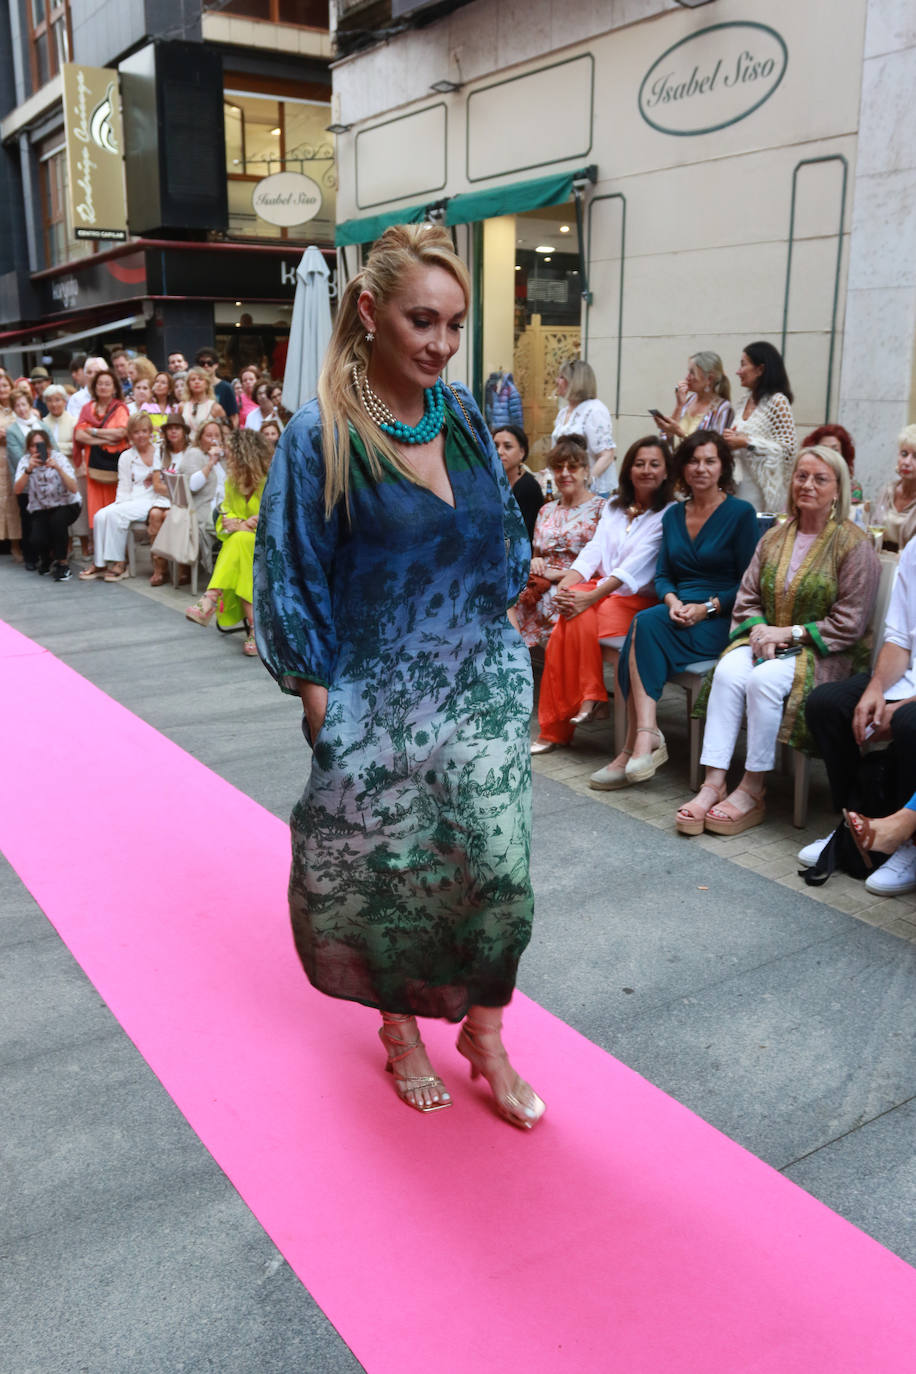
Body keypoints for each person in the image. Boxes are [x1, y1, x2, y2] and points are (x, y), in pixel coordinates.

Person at [252, 223, 544, 1129]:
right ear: (371, 312)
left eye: (455, 325)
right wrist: (319, 703)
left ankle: (486, 1033)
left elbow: (499, 537)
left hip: (483, 678)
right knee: (398, 871)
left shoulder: (457, 412)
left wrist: (508, 629)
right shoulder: (319, 435)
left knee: (501, 872)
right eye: (423, 321)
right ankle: (402, 1031)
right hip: (380, 695)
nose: (441, 344)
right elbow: (290, 570)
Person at [676, 446, 879, 835]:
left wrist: (788, 634)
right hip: (766, 641)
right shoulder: (774, 537)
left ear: (838, 489)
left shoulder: (854, 544)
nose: (808, 485)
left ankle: (753, 789)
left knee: (762, 681)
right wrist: (757, 632)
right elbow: (748, 596)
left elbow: (850, 623)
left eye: (821, 479)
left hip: (824, 651)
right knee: (729, 672)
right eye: (802, 476)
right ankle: (713, 783)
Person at [591, 430, 759, 790]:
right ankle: (643, 739)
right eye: (694, 461)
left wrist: (707, 608)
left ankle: (635, 745)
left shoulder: (741, 514)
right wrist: (673, 601)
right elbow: (664, 575)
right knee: (647, 622)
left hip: (721, 619)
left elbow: (748, 583)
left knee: (641, 626)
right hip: (678, 610)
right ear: (682, 467)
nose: (701, 468)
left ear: (723, 467)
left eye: (710, 461)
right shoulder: (673, 516)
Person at [532, 435, 676, 751]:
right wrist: (568, 585)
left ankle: (561, 723)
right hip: (602, 591)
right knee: (568, 614)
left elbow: (638, 566)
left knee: (569, 621)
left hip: (638, 598)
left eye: (654, 464)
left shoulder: (670, 513)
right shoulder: (614, 506)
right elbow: (593, 551)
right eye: (639, 464)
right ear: (628, 469)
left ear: (667, 471)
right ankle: (588, 700)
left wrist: (587, 597)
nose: (646, 470)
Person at [803, 534, 916, 896]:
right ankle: (852, 824)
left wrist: (904, 704)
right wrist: (876, 689)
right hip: (907, 675)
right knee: (828, 705)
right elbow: (900, 637)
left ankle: (908, 843)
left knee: (907, 723)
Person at [185, 428, 271, 655]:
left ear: (244, 454)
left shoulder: (270, 481)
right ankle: (256, 629)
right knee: (240, 545)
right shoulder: (232, 483)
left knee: (240, 541)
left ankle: (211, 596)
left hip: (270, 548)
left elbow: (278, 520)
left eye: (231, 451)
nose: (226, 455)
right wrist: (240, 523)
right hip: (244, 549)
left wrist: (243, 525)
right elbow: (224, 519)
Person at [515, 434, 605, 651]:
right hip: (541, 581)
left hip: (579, 583)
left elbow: (605, 563)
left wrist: (562, 575)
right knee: (508, 599)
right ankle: (514, 666)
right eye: (558, 468)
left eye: (572, 467)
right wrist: (536, 561)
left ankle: (557, 675)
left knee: (553, 600)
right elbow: (537, 552)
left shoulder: (601, 509)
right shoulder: (546, 510)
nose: (565, 474)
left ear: (585, 470)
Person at [77, 412, 163, 582]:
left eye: (145, 431)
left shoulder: (160, 453)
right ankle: (100, 563)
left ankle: (120, 562)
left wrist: (120, 509)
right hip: (132, 499)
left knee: (117, 515)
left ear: (150, 432)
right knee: (101, 515)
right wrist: (120, 504)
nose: (141, 435)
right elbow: (123, 487)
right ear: (130, 435)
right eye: (136, 432)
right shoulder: (126, 456)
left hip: (154, 499)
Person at [722, 341, 797, 512]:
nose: (738, 371)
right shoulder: (743, 401)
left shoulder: (777, 402)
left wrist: (747, 442)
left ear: (760, 369)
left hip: (762, 492)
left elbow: (788, 451)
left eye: (743, 365)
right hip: (738, 487)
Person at [12, 429, 81, 580]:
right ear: (29, 448)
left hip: (67, 503)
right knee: (36, 538)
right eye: (33, 446)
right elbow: (17, 490)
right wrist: (28, 470)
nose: (37, 449)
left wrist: (58, 468)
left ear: (48, 446)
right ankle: (48, 557)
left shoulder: (59, 458)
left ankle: (63, 564)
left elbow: (74, 488)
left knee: (57, 521)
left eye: (41, 445)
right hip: (41, 507)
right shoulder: (25, 461)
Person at [73, 369, 130, 531]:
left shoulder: (120, 408)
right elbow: (79, 435)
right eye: (100, 383)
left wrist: (94, 432)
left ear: (114, 388)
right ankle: (99, 547)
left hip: (114, 465)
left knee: (115, 506)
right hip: (94, 464)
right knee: (95, 507)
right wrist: (106, 438)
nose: (103, 387)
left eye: (107, 384)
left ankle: (119, 550)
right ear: (94, 386)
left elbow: (121, 433)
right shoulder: (87, 408)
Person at [552, 359, 616, 496]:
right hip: (567, 486)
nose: (557, 381)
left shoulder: (594, 410)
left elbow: (607, 455)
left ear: (576, 382)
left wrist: (586, 481)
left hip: (590, 492)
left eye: (562, 377)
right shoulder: (564, 412)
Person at [654, 351, 734, 443]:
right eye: (689, 372)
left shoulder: (723, 408)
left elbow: (716, 449)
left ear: (709, 379)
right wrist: (679, 405)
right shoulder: (688, 400)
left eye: (692, 372)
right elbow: (665, 439)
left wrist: (680, 433)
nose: (687, 377)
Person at [492, 423, 544, 542]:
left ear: (522, 452)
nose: (499, 451)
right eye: (495, 446)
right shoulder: (490, 481)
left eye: (508, 447)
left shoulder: (528, 487)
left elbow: (523, 534)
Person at [872, 424, 916, 552]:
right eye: (904, 454)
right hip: (880, 562)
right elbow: (873, 529)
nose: (907, 462)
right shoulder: (887, 490)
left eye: (915, 457)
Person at [802, 424, 862, 504]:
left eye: (835, 450)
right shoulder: (803, 480)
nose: (829, 454)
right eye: (824, 449)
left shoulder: (853, 487)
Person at [0, 372, 23, 560]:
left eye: (5, 385)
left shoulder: (19, 407)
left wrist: (10, 435)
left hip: (15, 460)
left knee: (14, 502)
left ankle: (17, 543)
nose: (2, 389)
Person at [195, 348, 239, 429]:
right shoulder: (194, 387)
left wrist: (229, 435)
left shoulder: (226, 387)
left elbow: (234, 417)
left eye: (209, 363)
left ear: (216, 365)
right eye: (202, 363)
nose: (206, 366)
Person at [181, 367, 226, 441]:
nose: (196, 382)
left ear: (207, 383)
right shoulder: (182, 406)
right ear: (188, 384)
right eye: (193, 379)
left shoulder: (215, 407)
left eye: (200, 379)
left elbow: (225, 432)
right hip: (187, 449)